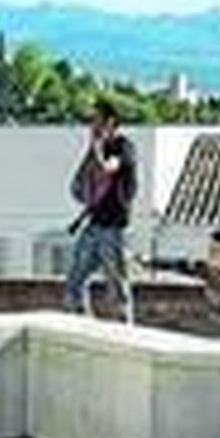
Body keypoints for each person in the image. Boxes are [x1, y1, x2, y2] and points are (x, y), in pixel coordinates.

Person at [64, 98, 138, 324]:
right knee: (74, 281)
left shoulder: (124, 146)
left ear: (110, 122)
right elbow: (80, 187)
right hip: (94, 223)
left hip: (113, 228)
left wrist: (96, 148)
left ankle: (126, 331)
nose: (92, 125)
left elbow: (109, 167)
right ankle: (83, 326)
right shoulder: (96, 148)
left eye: (96, 119)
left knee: (116, 285)